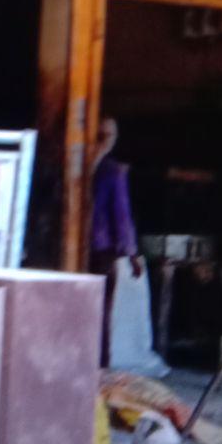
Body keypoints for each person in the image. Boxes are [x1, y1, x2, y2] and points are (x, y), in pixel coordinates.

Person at [90, 117, 142, 365]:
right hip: (102, 249)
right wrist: (132, 254)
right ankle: (101, 363)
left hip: (91, 248)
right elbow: (121, 215)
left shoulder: (80, 166)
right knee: (102, 310)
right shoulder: (114, 171)